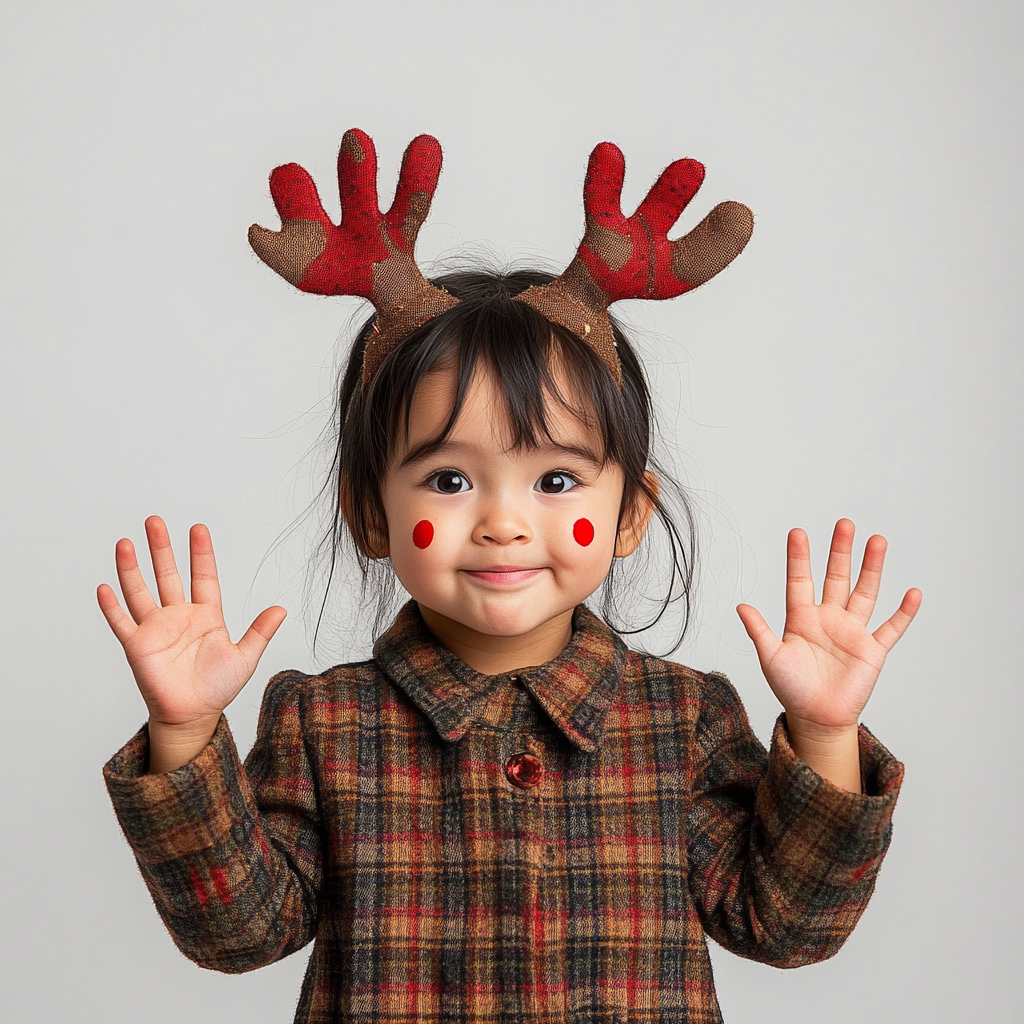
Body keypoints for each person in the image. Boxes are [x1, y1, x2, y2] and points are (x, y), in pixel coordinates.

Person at [99, 130, 921, 1024]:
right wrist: (183, 731)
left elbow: (787, 925)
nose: (501, 520)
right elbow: (237, 933)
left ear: (630, 512)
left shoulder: (686, 720)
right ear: (370, 513)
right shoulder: (321, 723)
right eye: (448, 481)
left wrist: (825, 733)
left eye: (555, 480)